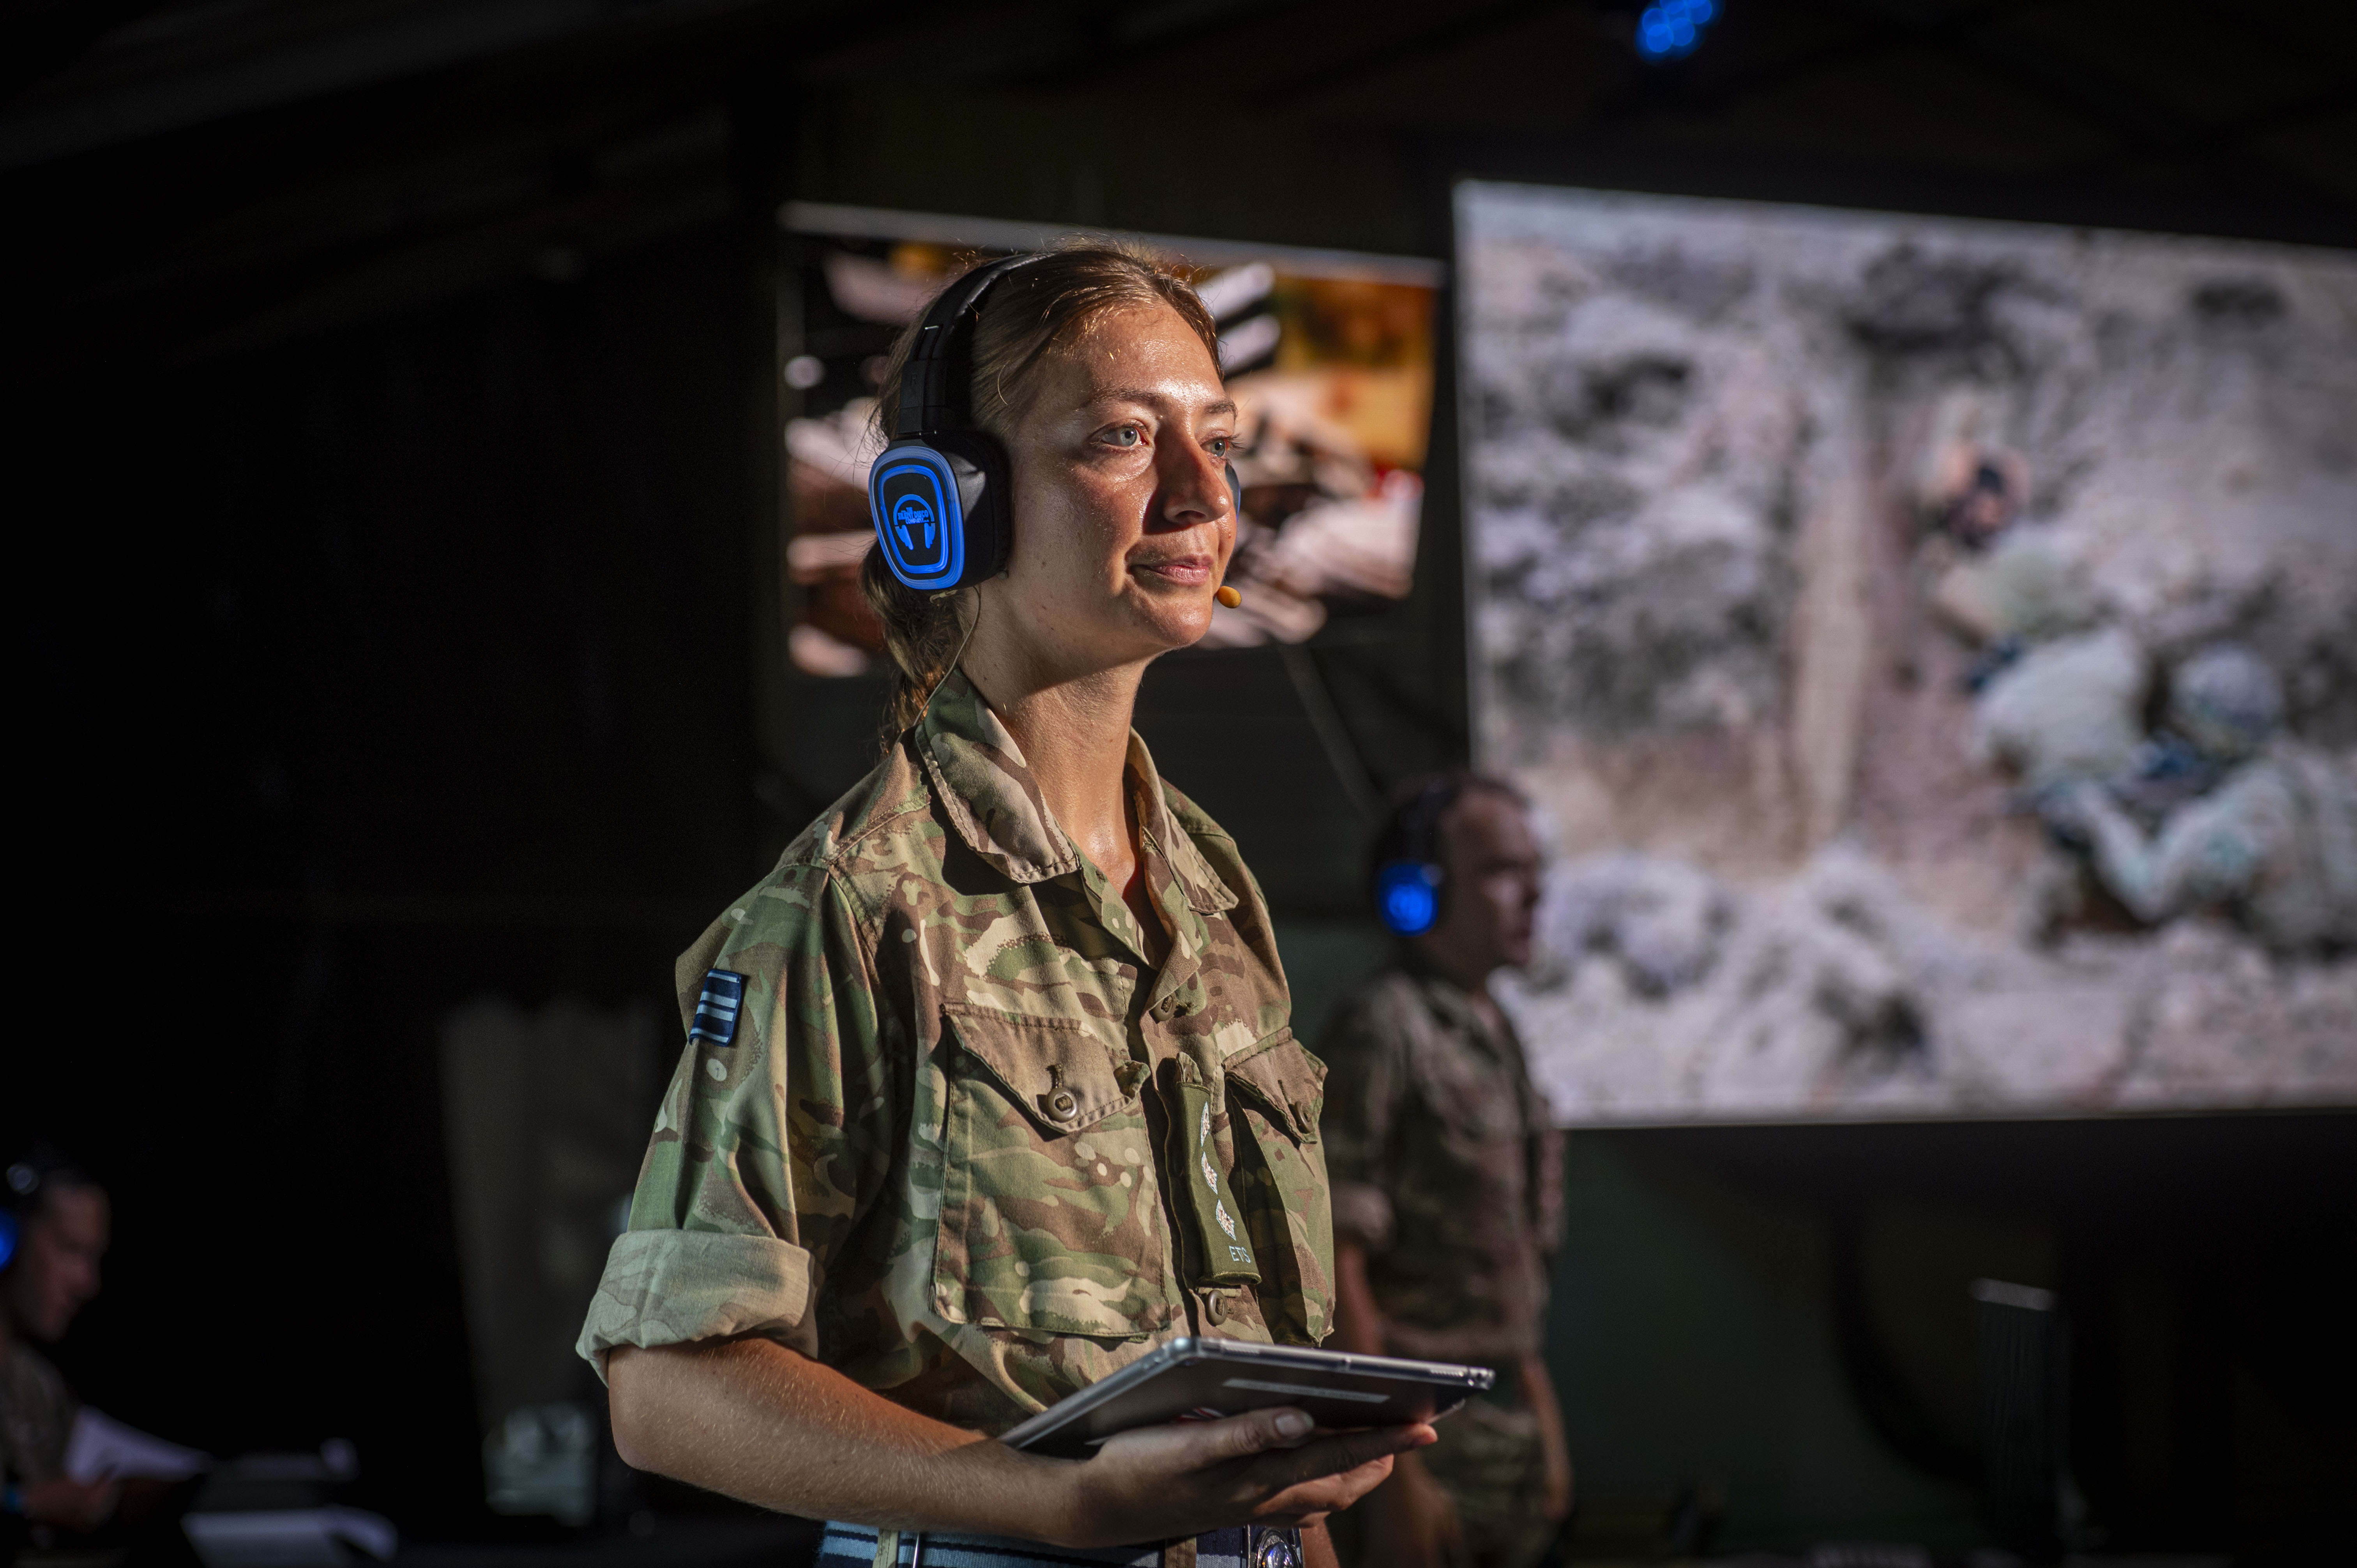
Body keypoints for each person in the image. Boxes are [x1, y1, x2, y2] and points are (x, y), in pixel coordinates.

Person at [578, 245, 1429, 1568]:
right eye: (1120, 440)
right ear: (943, 507)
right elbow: (666, 1383)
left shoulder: (1210, 891)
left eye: (1216, 440)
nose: (1204, 496)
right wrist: (1059, 1504)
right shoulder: (851, 908)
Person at [1318, 775, 1570, 1568]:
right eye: (1501, 871)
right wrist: (1397, 1476)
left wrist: (1548, 1430)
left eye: (1535, 870)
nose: (1532, 896)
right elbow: (1337, 1259)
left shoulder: (1497, 1028)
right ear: (1416, 896)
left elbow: (1508, 1268)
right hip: (1426, 1442)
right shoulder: (1384, 1028)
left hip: (1506, 1442)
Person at [2042, 644, 2357, 954]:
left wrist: (2102, 819)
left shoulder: (2246, 804)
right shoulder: (2314, 770)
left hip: (2296, 959)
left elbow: (2152, 889)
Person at [1, 1150, 120, 1538]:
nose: (87, 1284)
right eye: (71, 1250)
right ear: (6, 1239)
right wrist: (24, 1505)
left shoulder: (41, 1387)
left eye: (94, 1258)